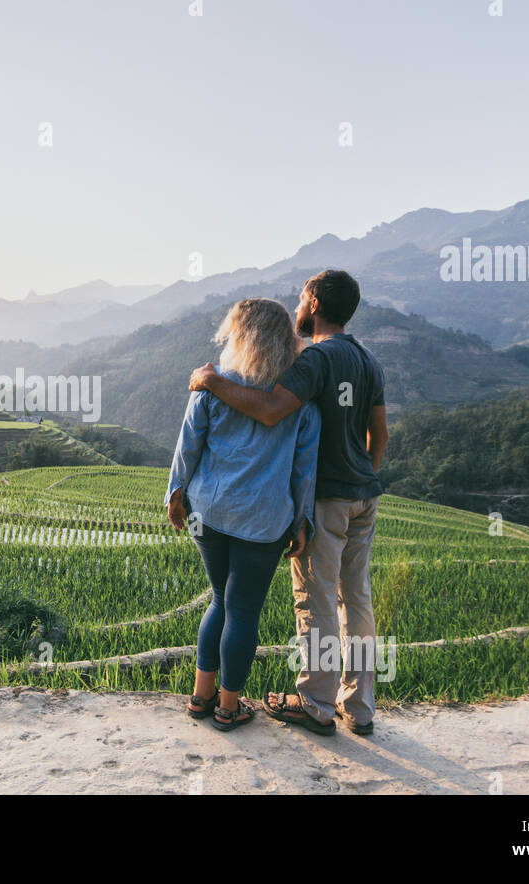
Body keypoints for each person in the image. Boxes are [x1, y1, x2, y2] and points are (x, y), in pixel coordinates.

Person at [189, 270, 388, 737]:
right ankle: (359, 707)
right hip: (364, 495)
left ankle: (316, 705)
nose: (297, 307)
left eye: (301, 298)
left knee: (315, 601)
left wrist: (211, 381)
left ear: (315, 302)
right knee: (356, 600)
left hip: (326, 500)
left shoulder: (315, 359)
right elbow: (378, 435)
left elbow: (271, 409)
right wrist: (364, 474)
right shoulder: (368, 361)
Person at [166, 298, 320, 732]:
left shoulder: (213, 383)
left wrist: (175, 495)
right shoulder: (297, 399)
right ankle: (229, 708)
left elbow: (188, 446)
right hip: (264, 520)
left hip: (210, 513)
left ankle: (200, 697)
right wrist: (302, 519)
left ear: (240, 335)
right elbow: (303, 468)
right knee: (243, 610)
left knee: (219, 598)